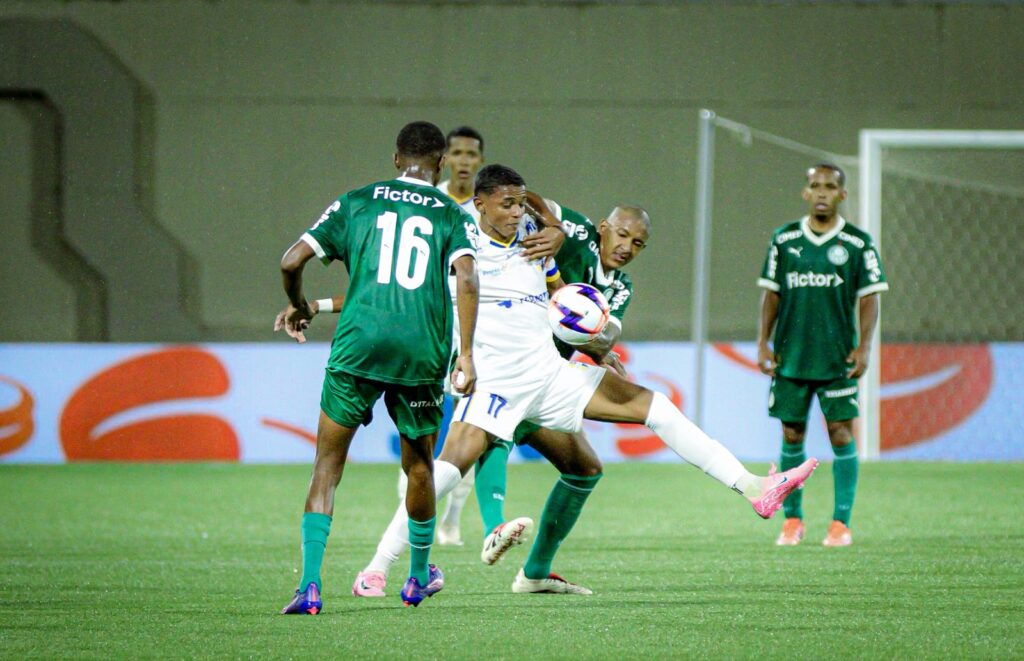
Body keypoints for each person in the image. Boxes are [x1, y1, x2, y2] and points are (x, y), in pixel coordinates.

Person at [355, 164, 818, 597]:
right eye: (507, 205)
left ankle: (753, 487)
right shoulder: (458, 239)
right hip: (496, 382)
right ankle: (377, 567)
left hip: (549, 373)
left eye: (520, 205)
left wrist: (582, 314)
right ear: (480, 205)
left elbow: (560, 288)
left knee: (652, 409)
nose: (517, 212)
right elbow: (408, 285)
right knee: (444, 470)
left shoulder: (536, 238)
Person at [274, 120, 480, 613]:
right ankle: (417, 577)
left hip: (358, 347)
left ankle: (309, 586)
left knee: (327, 466)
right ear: (441, 164)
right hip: (419, 352)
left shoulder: (357, 201)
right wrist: (467, 354)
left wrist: (301, 304)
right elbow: (468, 278)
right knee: (419, 466)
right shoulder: (451, 214)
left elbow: (290, 261)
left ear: (395, 159)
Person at [756, 163, 888, 547]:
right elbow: (772, 293)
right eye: (815, 185)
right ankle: (792, 520)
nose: (822, 193)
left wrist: (864, 346)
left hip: (837, 358)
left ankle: (840, 523)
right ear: (805, 192)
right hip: (791, 356)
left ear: (842, 194)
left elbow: (870, 297)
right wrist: (763, 342)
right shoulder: (784, 239)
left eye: (830, 186)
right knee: (791, 432)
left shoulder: (858, 244)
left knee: (841, 433)